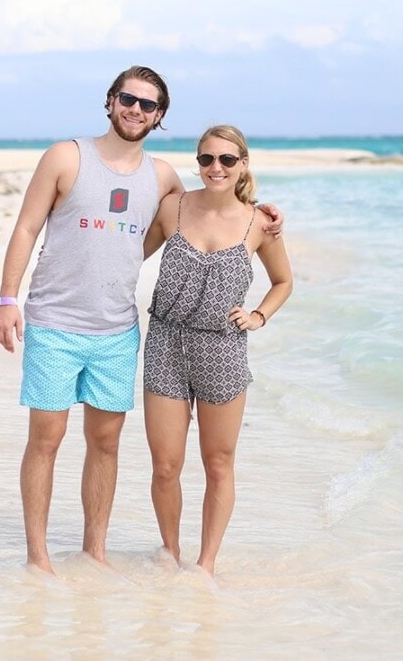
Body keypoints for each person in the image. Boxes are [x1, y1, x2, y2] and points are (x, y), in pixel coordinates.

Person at [0, 68, 284, 575]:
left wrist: (266, 218)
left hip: (118, 330)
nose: (136, 110)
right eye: (128, 99)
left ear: (159, 117)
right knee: (46, 438)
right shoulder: (67, 156)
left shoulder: (162, 178)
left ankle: (95, 553)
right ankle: (37, 559)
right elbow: (26, 227)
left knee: (106, 442)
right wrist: (6, 298)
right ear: (110, 101)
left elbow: (212, 213)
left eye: (148, 105)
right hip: (56, 322)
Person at [142, 124, 293, 577]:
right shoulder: (174, 207)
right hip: (166, 342)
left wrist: (259, 315)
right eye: (207, 159)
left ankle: (205, 564)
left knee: (218, 462)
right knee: (166, 465)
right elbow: (128, 253)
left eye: (227, 160)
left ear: (243, 164)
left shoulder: (260, 222)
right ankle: (170, 553)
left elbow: (284, 282)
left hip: (223, 350)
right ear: (198, 162)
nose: (216, 168)